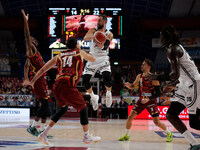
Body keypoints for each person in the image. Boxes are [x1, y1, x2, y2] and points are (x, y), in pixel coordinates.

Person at [23, 37, 101, 145]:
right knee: (83, 108)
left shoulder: (59, 55)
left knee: (63, 109)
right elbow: (93, 59)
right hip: (67, 86)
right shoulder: (80, 52)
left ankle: (44, 134)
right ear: (76, 45)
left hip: (56, 87)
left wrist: (33, 80)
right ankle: (86, 136)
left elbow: (43, 69)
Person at [147, 25, 200, 150]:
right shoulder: (173, 48)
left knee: (195, 123)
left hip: (193, 84)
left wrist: (157, 77)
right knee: (171, 114)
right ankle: (195, 144)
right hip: (184, 85)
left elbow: (174, 74)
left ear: (165, 37)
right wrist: (172, 84)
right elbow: (178, 75)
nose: (160, 38)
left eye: (161, 36)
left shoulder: (173, 49)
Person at [118, 59, 173, 142]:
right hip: (141, 100)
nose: (141, 65)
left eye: (143, 64)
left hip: (151, 101)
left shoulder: (154, 77)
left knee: (157, 122)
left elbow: (158, 93)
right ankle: (126, 135)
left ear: (149, 66)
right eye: (142, 64)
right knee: (130, 117)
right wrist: (129, 86)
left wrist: (148, 99)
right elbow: (133, 86)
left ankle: (169, 133)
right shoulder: (139, 76)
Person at [21, 9, 52, 138]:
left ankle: (43, 130)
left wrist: (26, 78)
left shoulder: (34, 55)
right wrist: (26, 22)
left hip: (41, 79)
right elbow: (27, 35)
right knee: (45, 105)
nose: (33, 39)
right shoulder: (30, 50)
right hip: (38, 80)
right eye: (31, 39)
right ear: (30, 43)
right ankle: (33, 127)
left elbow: (26, 66)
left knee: (46, 105)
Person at [82, 14, 114, 110]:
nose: (97, 22)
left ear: (105, 21)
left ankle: (108, 93)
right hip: (92, 57)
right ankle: (93, 97)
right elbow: (85, 38)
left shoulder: (109, 34)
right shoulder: (93, 30)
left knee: (106, 77)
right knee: (85, 81)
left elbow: (105, 46)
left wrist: (101, 44)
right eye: (97, 20)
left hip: (103, 57)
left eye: (99, 20)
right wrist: (96, 36)